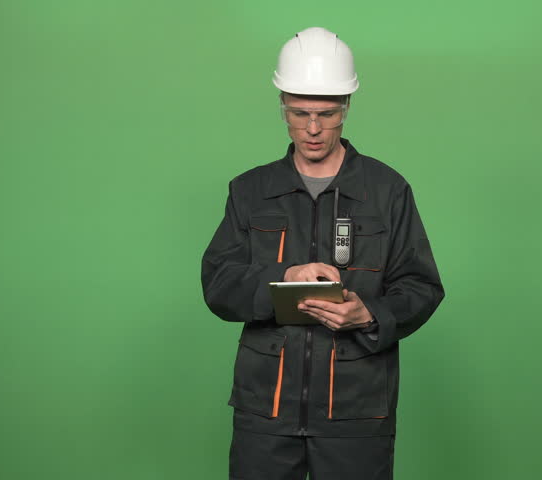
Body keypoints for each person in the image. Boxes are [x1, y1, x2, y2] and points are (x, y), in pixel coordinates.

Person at [201, 26, 444, 480]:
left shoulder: (387, 190)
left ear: (347, 107)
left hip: (356, 414)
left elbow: (422, 287)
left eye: (327, 114)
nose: (313, 129)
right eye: (300, 113)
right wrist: (283, 279)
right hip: (266, 414)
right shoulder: (250, 191)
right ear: (283, 108)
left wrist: (368, 315)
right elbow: (218, 285)